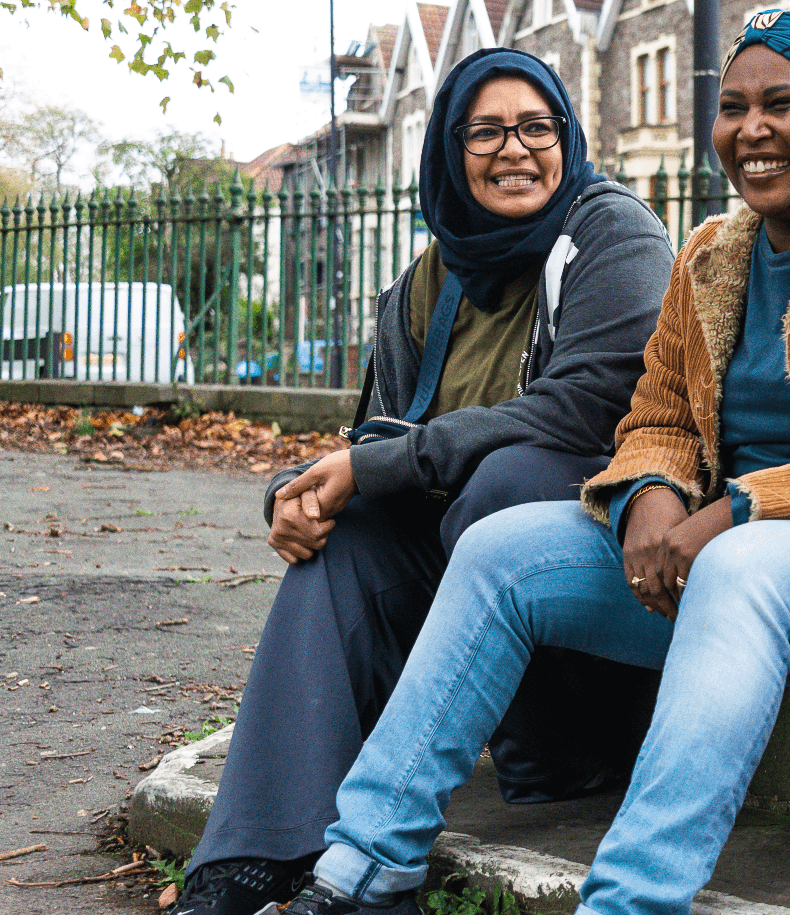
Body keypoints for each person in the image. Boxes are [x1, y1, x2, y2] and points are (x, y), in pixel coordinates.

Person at [271, 8, 790, 915]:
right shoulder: (707, 257)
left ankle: (630, 902)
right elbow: (655, 415)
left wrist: (736, 509)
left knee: (738, 566)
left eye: (783, 103)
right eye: (733, 107)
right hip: (717, 561)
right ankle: (365, 871)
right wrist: (651, 492)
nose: (752, 130)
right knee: (501, 550)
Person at [177, 48, 675, 915]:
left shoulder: (613, 234)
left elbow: (593, 408)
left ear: (568, 135)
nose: (514, 149)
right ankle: (260, 848)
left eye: (536, 127)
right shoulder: (426, 281)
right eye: (484, 131)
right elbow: (378, 441)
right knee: (347, 542)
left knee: (506, 485)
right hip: (455, 588)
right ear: (449, 148)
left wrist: (383, 464)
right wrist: (299, 493)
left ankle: (559, 750)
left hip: (597, 606)